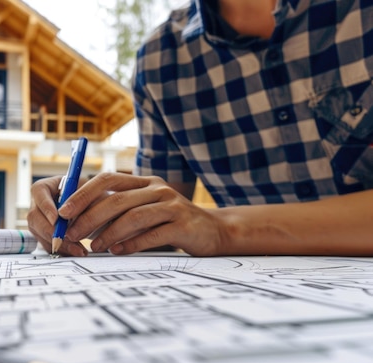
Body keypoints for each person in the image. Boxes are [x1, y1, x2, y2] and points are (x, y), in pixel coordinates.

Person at [27, 0, 373, 257]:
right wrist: (99, 210)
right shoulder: (161, 62)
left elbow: (201, 225)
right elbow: (159, 228)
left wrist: (223, 230)